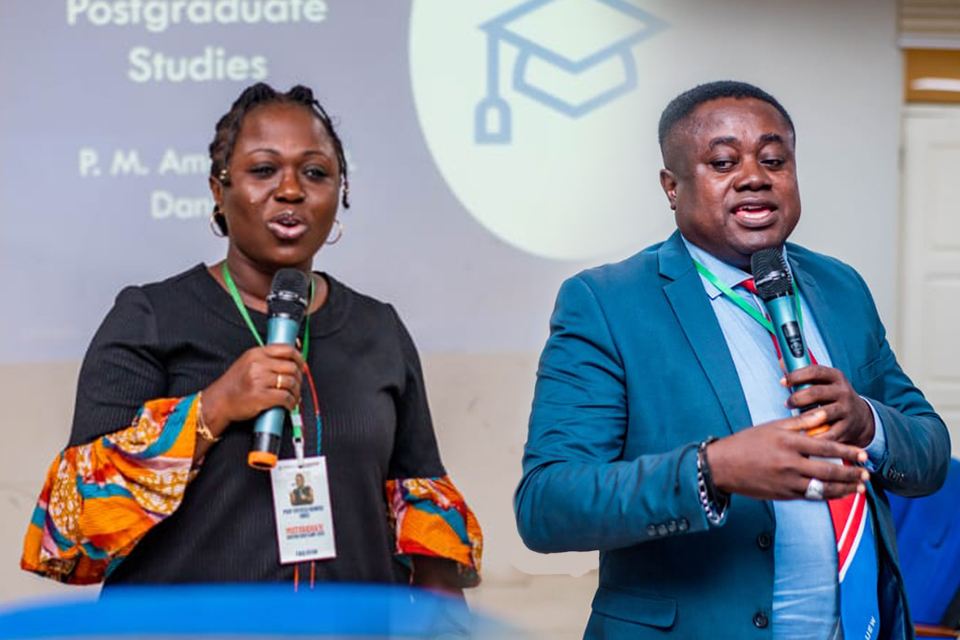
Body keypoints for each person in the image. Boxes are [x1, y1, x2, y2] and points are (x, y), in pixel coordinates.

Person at [515, 81, 949, 639]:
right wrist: (712, 469)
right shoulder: (608, 302)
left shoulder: (839, 287)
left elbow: (930, 451)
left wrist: (868, 421)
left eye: (774, 159)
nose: (754, 176)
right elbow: (549, 504)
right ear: (672, 187)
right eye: (723, 161)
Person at [22, 83, 482, 594]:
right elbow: (75, 521)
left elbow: (423, 516)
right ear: (219, 191)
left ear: (341, 193)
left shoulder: (378, 329)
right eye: (264, 170)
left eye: (315, 172)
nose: (290, 190)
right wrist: (212, 408)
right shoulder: (151, 317)